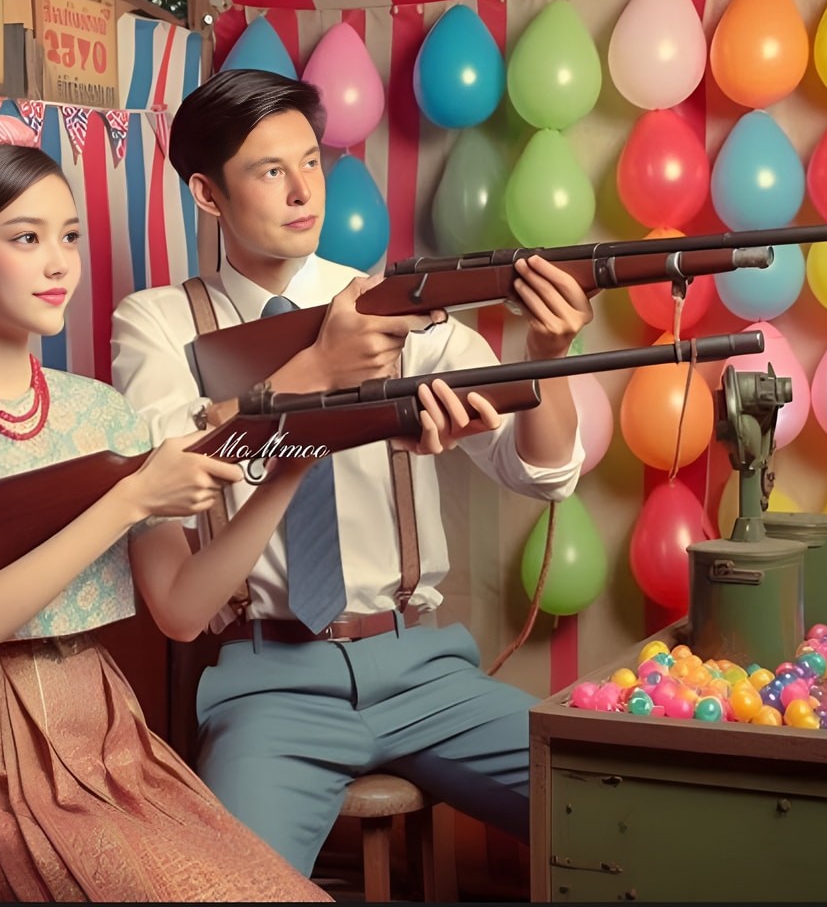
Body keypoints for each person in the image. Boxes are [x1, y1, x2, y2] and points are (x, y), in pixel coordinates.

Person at [110, 68, 594, 877]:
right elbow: (171, 466)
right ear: (206, 194)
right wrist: (316, 372)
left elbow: (542, 475)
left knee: (623, 805)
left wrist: (547, 357)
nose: (304, 190)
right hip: (268, 685)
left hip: (424, 670)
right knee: (224, 890)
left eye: (312, 161)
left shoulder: (401, 301)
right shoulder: (157, 321)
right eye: (270, 171)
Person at [0, 80, 333, 902]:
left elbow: (180, 605)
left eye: (67, 234)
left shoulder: (102, 410)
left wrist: (292, 466)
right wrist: (130, 500)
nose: (59, 260)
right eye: (24, 238)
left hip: (109, 731)